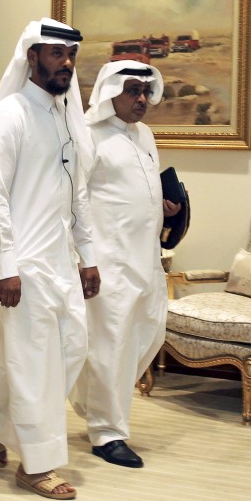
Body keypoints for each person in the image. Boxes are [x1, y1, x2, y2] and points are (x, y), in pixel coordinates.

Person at [0, 18, 100, 501]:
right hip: (20, 262)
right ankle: (36, 464)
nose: (65, 64)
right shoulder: (9, 115)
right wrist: (6, 265)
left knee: (73, 348)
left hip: (60, 260)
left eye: (70, 56)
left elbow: (78, 192)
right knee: (33, 361)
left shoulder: (67, 114)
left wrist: (88, 256)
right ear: (32, 58)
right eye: (55, 55)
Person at [70, 60, 180, 468]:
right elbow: (77, 200)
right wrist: (87, 259)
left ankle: (96, 405)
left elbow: (140, 189)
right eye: (132, 91)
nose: (141, 100)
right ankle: (107, 433)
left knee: (145, 335)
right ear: (109, 92)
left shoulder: (145, 134)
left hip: (146, 258)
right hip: (107, 261)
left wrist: (166, 209)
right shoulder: (88, 135)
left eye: (145, 92)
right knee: (111, 345)